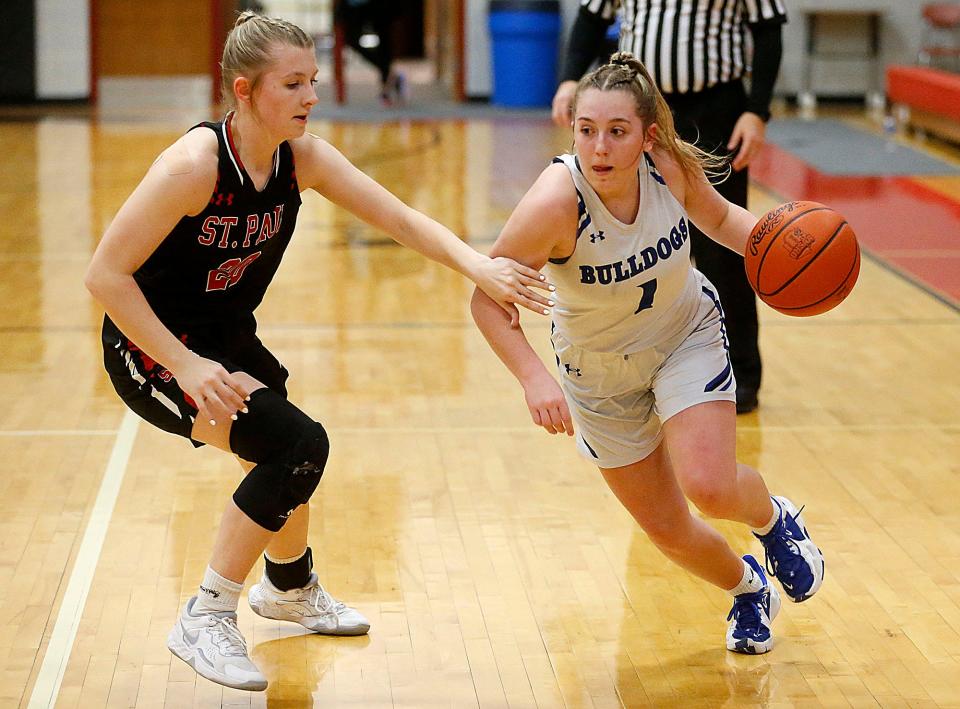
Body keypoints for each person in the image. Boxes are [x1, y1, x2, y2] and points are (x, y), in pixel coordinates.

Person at [84, 12, 554, 692]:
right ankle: (206, 613)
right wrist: (183, 365)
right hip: (148, 344)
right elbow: (104, 275)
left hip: (220, 333)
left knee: (286, 447)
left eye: (313, 80)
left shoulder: (299, 158)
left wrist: (475, 266)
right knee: (295, 444)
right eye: (293, 84)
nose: (311, 96)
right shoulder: (195, 167)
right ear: (244, 92)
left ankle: (288, 587)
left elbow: (396, 216)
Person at [471, 53, 823, 654]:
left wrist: (788, 252)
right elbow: (486, 300)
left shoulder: (668, 168)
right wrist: (534, 378)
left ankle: (772, 518)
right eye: (586, 131)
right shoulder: (554, 204)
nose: (600, 148)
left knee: (708, 486)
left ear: (647, 135)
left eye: (617, 132)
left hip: (683, 334)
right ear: (572, 130)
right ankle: (747, 589)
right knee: (667, 530)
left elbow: (720, 219)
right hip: (598, 375)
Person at [551, 0, 788, 414]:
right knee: (635, 244)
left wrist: (757, 110)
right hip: (633, 112)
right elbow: (592, 17)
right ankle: (647, 367)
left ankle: (739, 375)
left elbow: (768, 29)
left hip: (715, 108)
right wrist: (571, 78)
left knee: (723, 249)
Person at [334, 0, 405, 106]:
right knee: (351, 40)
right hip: (354, 7)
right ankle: (388, 73)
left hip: (380, 6)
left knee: (384, 43)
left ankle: (386, 86)